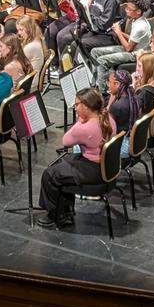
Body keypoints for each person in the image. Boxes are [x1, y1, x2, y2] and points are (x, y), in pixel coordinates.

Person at [38, 88, 115, 228]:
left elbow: (66, 141)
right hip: (108, 166)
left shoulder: (84, 128)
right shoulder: (108, 117)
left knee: (49, 174)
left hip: (95, 170)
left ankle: (55, 214)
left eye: (77, 105)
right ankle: (65, 210)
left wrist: (80, 120)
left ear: (86, 106)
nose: (75, 108)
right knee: (65, 162)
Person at [56, 0, 122, 58]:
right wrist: (82, 15)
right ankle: (65, 64)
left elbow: (103, 24)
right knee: (66, 38)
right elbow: (91, 14)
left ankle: (79, 66)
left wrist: (87, 15)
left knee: (79, 43)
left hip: (106, 34)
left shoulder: (111, 0)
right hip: (94, 29)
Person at [89, 0, 152, 91]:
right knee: (94, 51)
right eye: (126, 8)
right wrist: (120, 32)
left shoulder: (141, 26)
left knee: (101, 60)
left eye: (129, 9)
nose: (126, 11)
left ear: (138, 11)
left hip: (136, 54)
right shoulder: (136, 20)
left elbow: (128, 48)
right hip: (132, 48)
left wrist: (118, 32)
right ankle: (95, 82)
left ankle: (103, 91)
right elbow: (132, 39)